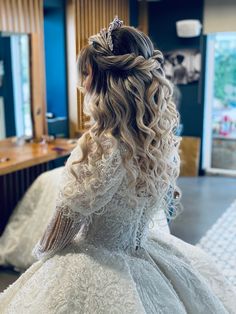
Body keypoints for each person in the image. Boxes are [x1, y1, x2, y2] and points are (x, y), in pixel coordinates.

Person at [0, 17, 235, 313]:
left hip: (96, 260)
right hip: (140, 252)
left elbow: (64, 225)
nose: (83, 84)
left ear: (103, 80)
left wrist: (41, 260)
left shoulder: (101, 144)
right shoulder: (152, 140)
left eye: (87, 74)